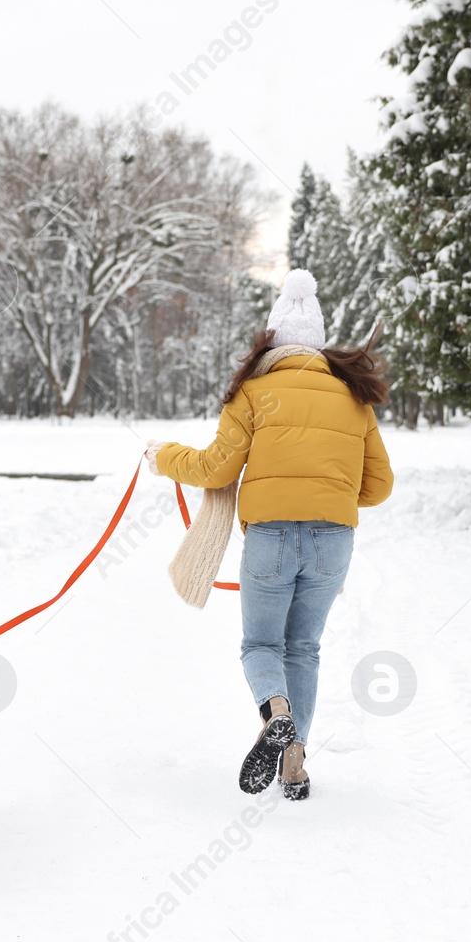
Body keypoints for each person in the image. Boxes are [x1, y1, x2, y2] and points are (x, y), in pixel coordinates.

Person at [146, 270, 393, 799]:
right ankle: (295, 765)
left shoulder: (255, 390)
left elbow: (215, 468)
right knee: (303, 647)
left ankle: (274, 711)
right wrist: (330, 492)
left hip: (270, 538)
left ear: (272, 337)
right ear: (320, 340)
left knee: (261, 643)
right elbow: (379, 486)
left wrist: (163, 456)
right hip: (334, 542)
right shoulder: (353, 396)